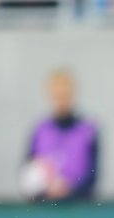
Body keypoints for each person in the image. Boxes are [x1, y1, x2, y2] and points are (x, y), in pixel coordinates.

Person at [22, 70, 99, 201]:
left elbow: (92, 176)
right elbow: (26, 175)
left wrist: (70, 190)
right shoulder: (40, 131)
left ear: (73, 95)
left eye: (65, 95)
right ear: (50, 95)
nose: (61, 100)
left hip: (78, 207)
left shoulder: (87, 131)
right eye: (57, 95)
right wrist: (45, 192)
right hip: (45, 207)